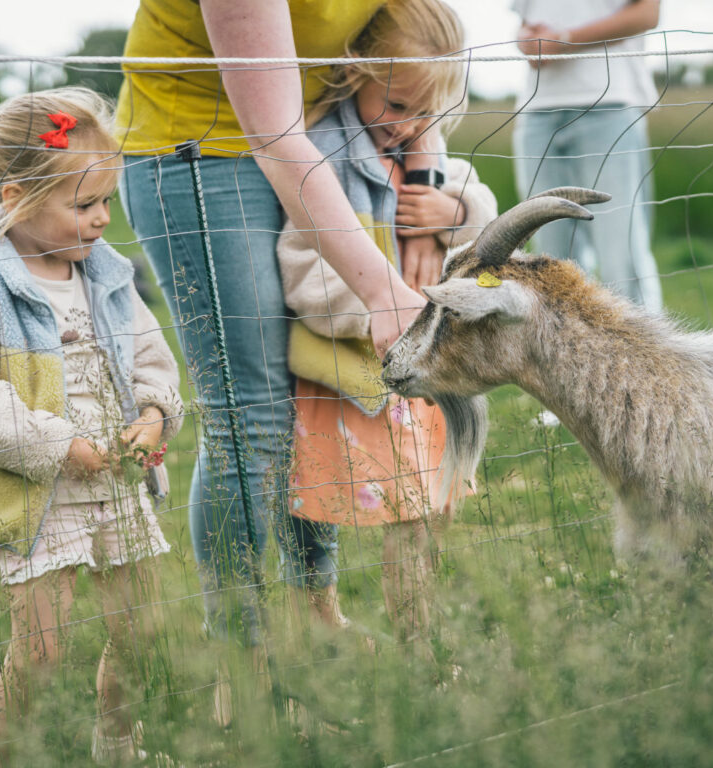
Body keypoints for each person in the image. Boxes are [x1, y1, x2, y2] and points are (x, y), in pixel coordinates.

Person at [116, 0, 433, 675]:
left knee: (306, 388)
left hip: (311, 143)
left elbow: (425, 59)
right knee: (250, 413)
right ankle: (241, 655)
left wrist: (428, 177)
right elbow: (273, 133)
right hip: (203, 155)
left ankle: (313, 610)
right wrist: (382, 292)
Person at [0, 87, 184, 767]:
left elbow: (153, 358)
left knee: (143, 627)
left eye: (107, 202)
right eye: (83, 205)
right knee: (41, 647)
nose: (102, 220)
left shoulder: (108, 278)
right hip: (39, 493)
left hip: (118, 483)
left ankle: (119, 741)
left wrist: (154, 415)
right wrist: (58, 444)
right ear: (15, 197)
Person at [275, 0, 497, 644]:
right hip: (356, 375)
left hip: (423, 374)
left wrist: (454, 208)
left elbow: (480, 217)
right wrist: (386, 307)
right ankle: (348, 632)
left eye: (427, 111)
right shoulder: (322, 159)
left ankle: (418, 636)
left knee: (425, 514)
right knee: (365, 514)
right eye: (397, 106)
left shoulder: (428, 152)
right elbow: (303, 275)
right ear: (353, 73)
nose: (409, 125)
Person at [512, 0, 663, 312]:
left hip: (608, 104)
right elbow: (527, 19)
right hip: (537, 110)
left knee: (621, 261)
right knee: (552, 261)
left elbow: (648, 12)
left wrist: (565, 38)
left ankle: (643, 357)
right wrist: (527, 40)